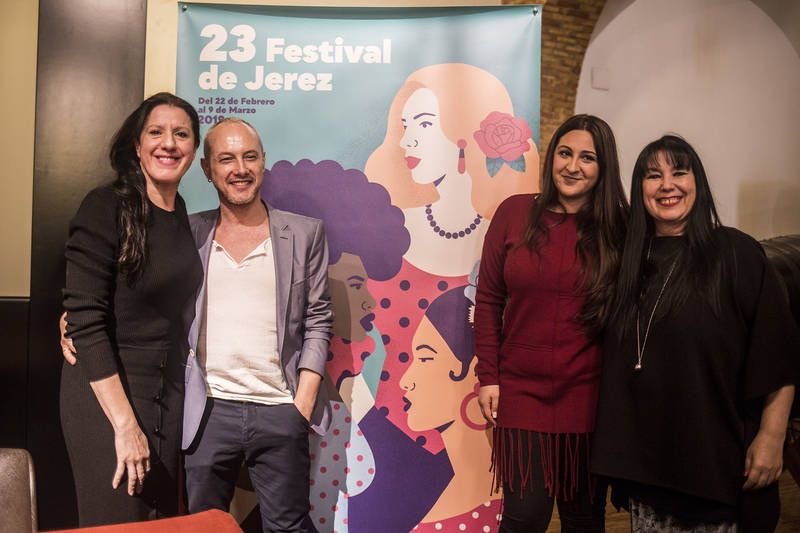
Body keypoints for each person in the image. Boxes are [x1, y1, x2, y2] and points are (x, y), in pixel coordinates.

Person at [592, 135, 797, 532]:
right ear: (640, 190)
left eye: (679, 172)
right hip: (650, 474)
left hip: (717, 466)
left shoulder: (736, 252)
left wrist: (772, 437)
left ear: (697, 182)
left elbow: (779, 353)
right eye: (653, 176)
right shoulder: (630, 263)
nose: (667, 185)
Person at [474, 114, 629, 532]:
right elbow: (487, 300)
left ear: (603, 167)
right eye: (565, 153)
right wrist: (489, 377)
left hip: (590, 395)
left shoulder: (621, 227)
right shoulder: (514, 212)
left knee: (583, 518)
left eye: (587, 158)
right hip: (521, 392)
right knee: (525, 516)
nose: (572, 166)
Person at [182, 119, 333, 533]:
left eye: (250, 157)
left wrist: (302, 403)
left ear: (263, 162)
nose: (240, 169)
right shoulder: (188, 233)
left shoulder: (304, 234)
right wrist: (74, 315)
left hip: (280, 408)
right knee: (203, 528)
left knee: (287, 528)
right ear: (207, 168)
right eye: (226, 159)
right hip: (207, 410)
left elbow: (319, 318)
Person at [60, 92, 203, 525]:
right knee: (118, 519)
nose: (169, 143)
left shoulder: (179, 212)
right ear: (137, 145)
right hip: (109, 394)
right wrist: (124, 425)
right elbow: (85, 314)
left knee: (157, 520)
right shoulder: (105, 205)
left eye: (181, 134)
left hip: (167, 394)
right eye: (156, 132)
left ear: (194, 149)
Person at [365, 62, 538, 277]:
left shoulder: (505, 232)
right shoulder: (396, 225)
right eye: (406, 126)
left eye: (424, 124)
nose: (406, 141)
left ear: (464, 132)